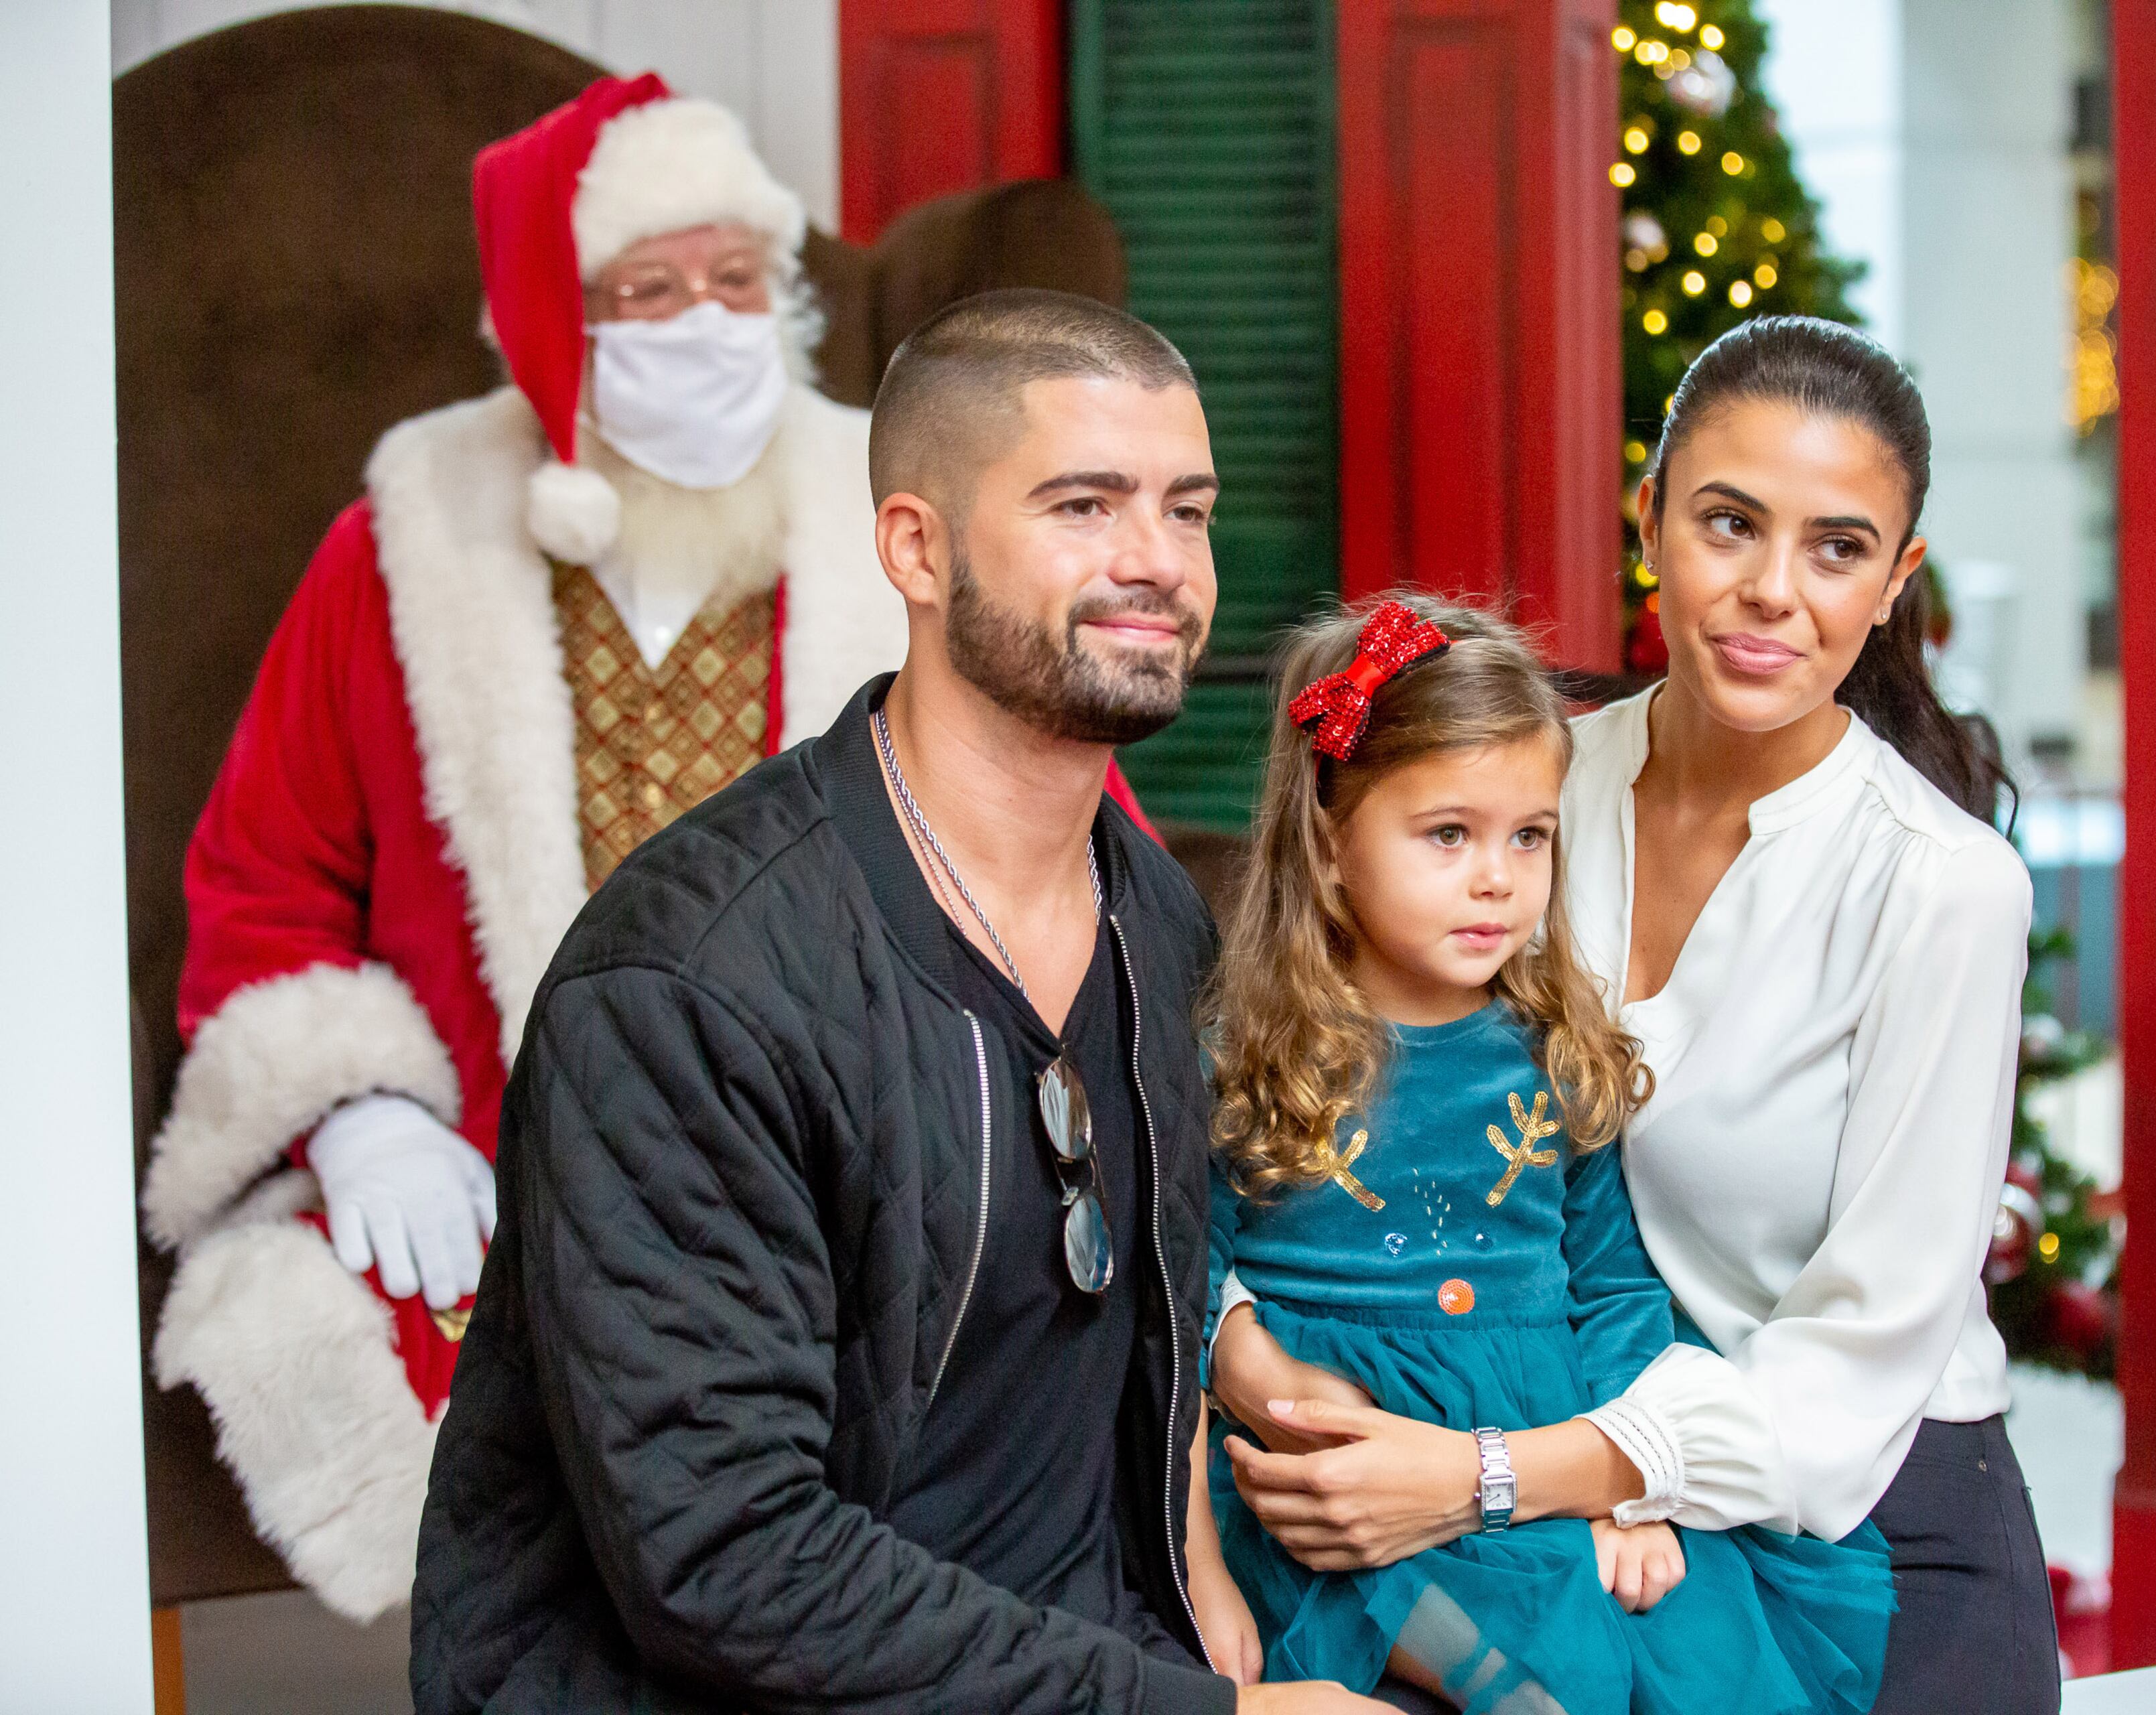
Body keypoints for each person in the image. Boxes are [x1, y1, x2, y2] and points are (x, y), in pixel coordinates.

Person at [411, 289, 1386, 1715]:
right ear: (916, 547)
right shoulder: (692, 984)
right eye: (1083, 504)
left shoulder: (1157, 913)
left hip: (1087, 1651)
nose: (1158, 562)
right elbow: (725, 1558)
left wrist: (1194, 1572)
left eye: (1188, 509)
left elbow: (1143, 1312)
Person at [137, 73, 915, 1620]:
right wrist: (355, 1113)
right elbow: (264, 870)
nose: (705, 323)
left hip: (841, 1145)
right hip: (511, 1162)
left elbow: (1050, 818)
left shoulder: (891, 510)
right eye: (650, 292)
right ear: (563, 326)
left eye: (735, 282)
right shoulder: (409, 535)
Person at [1213, 318, 2055, 1712]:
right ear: (1650, 515)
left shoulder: (1944, 886)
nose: (1773, 590)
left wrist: (1481, 1477)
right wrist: (1253, 1352)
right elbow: (1283, 1091)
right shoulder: (1524, 796)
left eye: (1839, 548)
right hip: (1499, 1462)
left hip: (1853, 1498)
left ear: (1897, 582)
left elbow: (1855, 1365)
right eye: (1730, 521)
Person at [1190, 597, 1894, 1715]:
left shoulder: (1554, 1053)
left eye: (1531, 835)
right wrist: (1205, 1553)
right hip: (1334, 1462)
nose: (1497, 879)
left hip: (1530, 1450)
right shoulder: (1252, 1059)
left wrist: (1626, 1492)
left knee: (1690, 1664)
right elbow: (1182, 1298)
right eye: (1448, 835)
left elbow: (1611, 1286)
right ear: (1330, 845)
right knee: (1541, 1686)